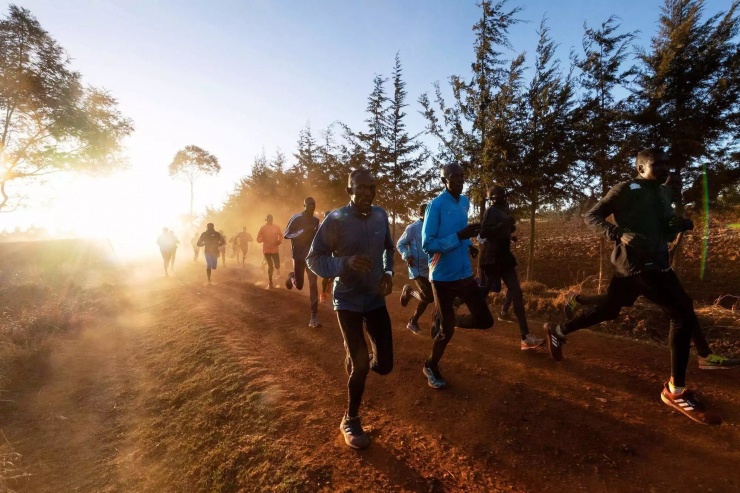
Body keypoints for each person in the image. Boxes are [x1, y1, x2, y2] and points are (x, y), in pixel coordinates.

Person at [544, 148, 722, 425]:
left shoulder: (664, 193)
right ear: (640, 168)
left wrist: (678, 225)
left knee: (609, 311)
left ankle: (558, 331)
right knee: (680, 311)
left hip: (658, 262)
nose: (664, 168)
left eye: (666, 163)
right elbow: (592, 216)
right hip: (635, 264)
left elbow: (664, 230)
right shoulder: (626, 189)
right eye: (657, 164)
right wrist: (619, 233)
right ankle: (675, 390)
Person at [307, 169, 395, 450]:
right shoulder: (336, 219)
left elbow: (388, 250)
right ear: (349, 190)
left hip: (375, 298)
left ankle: (356, 357)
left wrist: (389, 273)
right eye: (361, 188)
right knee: (360, 362)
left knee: (384, 365)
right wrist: (344, 263)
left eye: (372, 187)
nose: (367, 192)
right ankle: (350, 418)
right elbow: (314, 259)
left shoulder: (381, 215)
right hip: (347, 300)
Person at [421, 163, 494, 390]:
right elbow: (428, 244)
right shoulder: (435, 206)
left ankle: (448, 320)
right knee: (446, 331)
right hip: (442, 278)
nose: (460, 181)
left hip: (464, 274)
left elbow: (459, 233)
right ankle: (430, 365)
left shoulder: (464, 202)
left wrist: (468, 243)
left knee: (485, 320)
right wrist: (459, 236)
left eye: (463, 176)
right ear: (444, 180)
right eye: (455, 177)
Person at [563, 291, 740, 370]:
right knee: (612, 302)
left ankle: (705, 355)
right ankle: (571, 311)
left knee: (682, 306)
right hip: (638, 268)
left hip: (651, 267)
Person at [479, 185, 544, 350]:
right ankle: (456, 302)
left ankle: (525, 337)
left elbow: (500, 231)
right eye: (497, 195)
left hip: (504, 256)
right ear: (491, 198)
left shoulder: (502, 210)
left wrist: (510, 232)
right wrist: (506, 223)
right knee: (482, 293)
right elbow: (484, 232)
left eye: (503, 194)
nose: (502, 197)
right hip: (492, 258)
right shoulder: (491, 211)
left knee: (517, 292)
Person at [285, 197, 322, 328]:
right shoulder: (296, 218)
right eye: (309, 204)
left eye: (314, 204)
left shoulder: (316, 221)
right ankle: (292, 277)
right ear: (304, 205)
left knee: (313, 284)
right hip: (298, 256)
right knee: (300, 285)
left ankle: (314, 317)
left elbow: (319, 238)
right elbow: (287, 234)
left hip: (311, 258)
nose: (312, 206)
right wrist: (301, 232)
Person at [397, 203, 433, 334]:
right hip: (416, 268)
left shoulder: (434, 227)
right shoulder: (413, 228)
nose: (430, 215)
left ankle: (413, 322)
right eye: (426, 213)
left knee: (427, 296)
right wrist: (407, 255)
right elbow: (400, 244)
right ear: (420, 214)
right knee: (429, 296)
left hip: (431, 268)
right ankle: (409, 292)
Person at [257, 214, 282, 289]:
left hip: (275, 249)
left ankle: (272, 267)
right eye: (268, 219)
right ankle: (270, 282)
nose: (269, 220)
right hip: (266, 249)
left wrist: (279, 241)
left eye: (271, 219)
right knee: (270, 266)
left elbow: (280, 235)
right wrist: (262, 239)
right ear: (266, 220)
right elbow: (258, 239)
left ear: (272, 219)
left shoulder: (276, 227)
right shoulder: (263, 228)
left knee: (277, 265)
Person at [319, 211, 335, 304]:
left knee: (333, 272)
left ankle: (330, 282)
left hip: (333, 252)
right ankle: (323, 293)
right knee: (325, 274)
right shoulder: (320, 227)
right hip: (324, 252)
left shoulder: (335, 227)